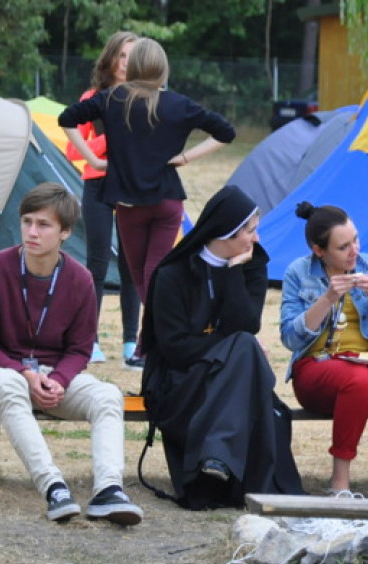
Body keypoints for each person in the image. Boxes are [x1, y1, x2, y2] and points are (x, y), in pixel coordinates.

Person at [0, 183, 143, 525]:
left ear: (65, 232)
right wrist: (26, 373)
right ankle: (54, 488)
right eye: (27, 221)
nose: (32, 232)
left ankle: (108, 490)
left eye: (43, 225)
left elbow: (79, 349)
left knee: (106, 394)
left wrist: (58, 379)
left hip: (51, 378)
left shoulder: (79, 279)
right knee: (9, 384)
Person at [59, 37, 236, 367]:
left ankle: (150, 342)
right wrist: (185, 157)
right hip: (167, 202)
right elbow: (225, 132)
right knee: (148, 276)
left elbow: (66, 119)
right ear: (163, 69)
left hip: (130, 205)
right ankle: (148, 342)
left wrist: (94, 161)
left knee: (145, 275)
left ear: (136, 65)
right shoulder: (179, 104)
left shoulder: (113, 99)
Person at [141, 185, 303, 509]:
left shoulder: (251, 266)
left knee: (244, 345)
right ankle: (219, 455)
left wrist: (232, 274)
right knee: (244, 348)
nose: (256, 240)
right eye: (250, 232)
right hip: (181, 384)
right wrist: (228, 348)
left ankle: (218, 457)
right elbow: (175, 350)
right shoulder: (173, 274)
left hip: (226, 382)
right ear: (226, 233)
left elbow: (246, 324)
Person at [279, 202, 368, 498]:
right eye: (343, 247)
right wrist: (326, 299)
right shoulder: (299, 272)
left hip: (367, 361)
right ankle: (340, 482)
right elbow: (290, 338)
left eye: (356, 240)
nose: (355, 251)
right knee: (358, 380)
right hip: (316, 366)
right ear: (319, 250)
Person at [64, 31, 142, 366]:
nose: (127, 63)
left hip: (132, 189)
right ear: (110, 58)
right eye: (122, 56)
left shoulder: (146, 97)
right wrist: (107, 139)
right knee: (95, 264)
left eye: (133, 56)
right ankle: (89, 341)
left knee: (130, 267)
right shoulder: (92, 97)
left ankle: (129, 345)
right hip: (96, 186)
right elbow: (71, 150)